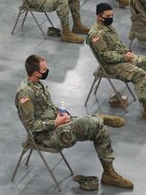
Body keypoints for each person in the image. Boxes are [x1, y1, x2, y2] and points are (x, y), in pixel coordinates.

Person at [14, 54, 132, 189]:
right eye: (45, 69)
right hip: (45, 136)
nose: (47, 70)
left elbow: (47, 108)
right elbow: (31, 125)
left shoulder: (38, 84)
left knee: (100, 129)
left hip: (56, 125)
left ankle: (109, 174)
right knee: (91, 123)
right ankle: (97, 118)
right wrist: (56, 123)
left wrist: (60, 113)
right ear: (36, 73)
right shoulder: (25, 94)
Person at [87, 3, 146, 125]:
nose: (110, 17)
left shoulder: (108, 26)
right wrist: (124, 57)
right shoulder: (95, 35)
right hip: (110, 65)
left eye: (111, 15)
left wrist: (127, 51)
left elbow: (118, 43)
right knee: (140, 74)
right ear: (99, 16)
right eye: (108, 15)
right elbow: (106, 56)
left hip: (121, 58)